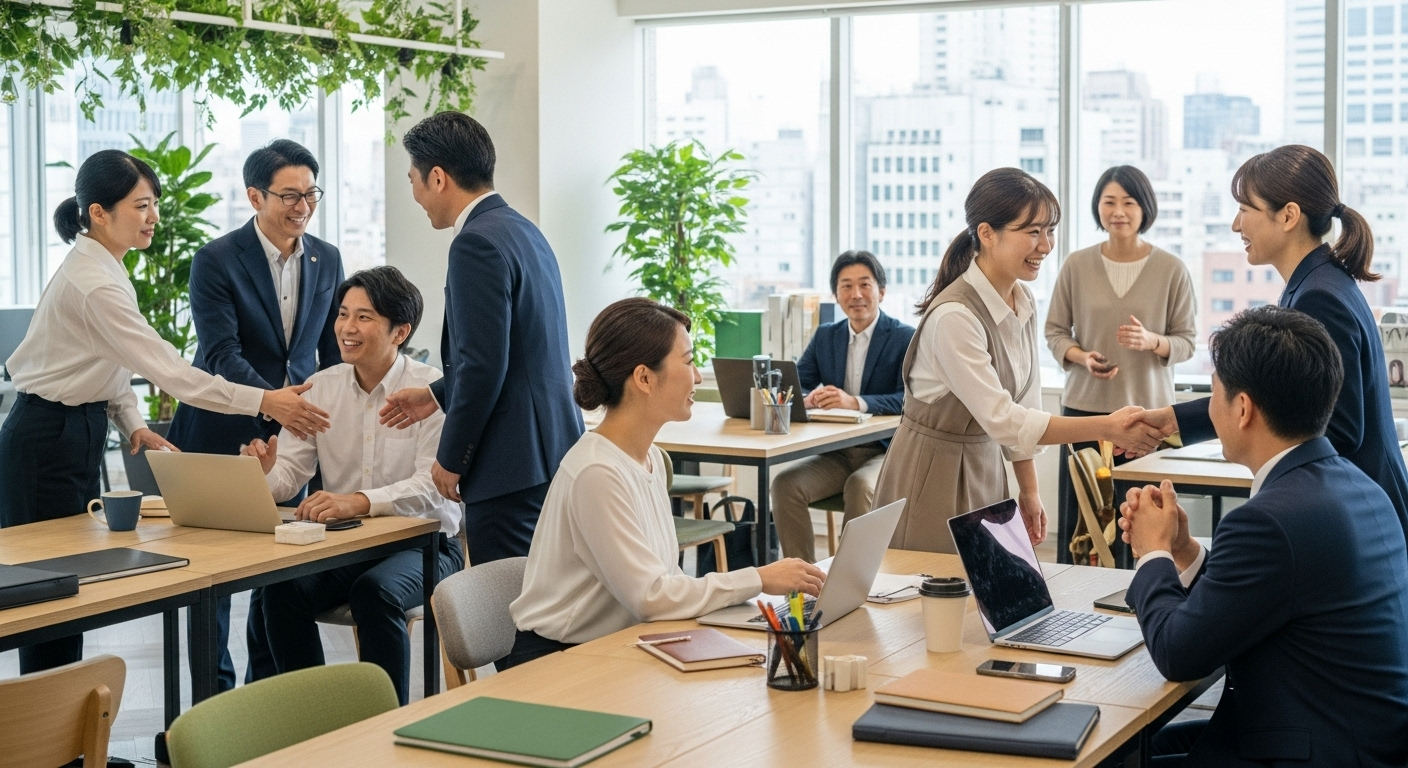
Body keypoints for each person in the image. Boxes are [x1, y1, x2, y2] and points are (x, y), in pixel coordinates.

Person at [0, 150, 328, 674]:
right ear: (99, 213)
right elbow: (170, 371)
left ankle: (65, 744)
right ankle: (50, 745)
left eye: (154, 204)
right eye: (141, 206)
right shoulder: (96, 282)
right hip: (48, 438)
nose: (153, 217)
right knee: (49, 599)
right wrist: (265, 400)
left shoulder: (104, 267)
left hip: (71, 431)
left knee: (67, 596)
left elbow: (105, 363)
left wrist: (132, 422)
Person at [1117, 306, 1408, 767]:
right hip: (1352, 740)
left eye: (1213, 392)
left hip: (1307, 752)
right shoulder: (1359, 487)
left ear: (1243, 408)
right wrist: (1183, 551)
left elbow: (1177, 653)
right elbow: (1268, 593)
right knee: (1129, 750)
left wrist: (1150, 552)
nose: (1211, 408)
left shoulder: (1268, 520)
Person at [507, 298, 826, 668]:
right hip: (559, 661)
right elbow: (651, 596)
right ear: (644, 378)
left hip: (623, 642)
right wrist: (758, 578)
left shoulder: (652, 458)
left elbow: (663, 582)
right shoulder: (597, 472)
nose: (698, 376)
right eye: (689, 361)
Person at [1126, 145, 1408, 549]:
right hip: (1356, 510)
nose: (1235, 224)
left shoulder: (1318, 297)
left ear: (1288, 216)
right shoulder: (1315, 284)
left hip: (1354, 523)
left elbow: (1338, 431)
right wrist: (1172, 420)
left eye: (1245, 209)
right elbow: (1277, 396)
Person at [871, 167, 1164, 554]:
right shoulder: (954, 317)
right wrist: (1107, 427)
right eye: (1032, 232)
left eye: (1049, 231)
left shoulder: (1021, 300)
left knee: (986, 602)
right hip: (931, 474)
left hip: (985, 466)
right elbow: (1005, 420)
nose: (1045, 245)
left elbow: (1024, 403)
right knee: (924, 601)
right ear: (987, 234)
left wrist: (1029, 489)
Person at [166, 138, 345, 692]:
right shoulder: (215, 259)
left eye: (311, 193)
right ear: (254, 195)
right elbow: (221, 355)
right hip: (220, 429)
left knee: (279, 569)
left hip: (291, 438)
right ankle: (213, 704)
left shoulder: (327, 257)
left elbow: (331, 354)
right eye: (290, 195)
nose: (303, 206)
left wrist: (329, 412)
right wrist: (276, 402)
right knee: (212, 576)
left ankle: (266, 696)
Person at [247, 267, 463, 706]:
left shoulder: (429, 390)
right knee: (279, 588)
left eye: (364, 318)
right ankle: (312, 720)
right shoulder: (321, 388)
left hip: (426, 545)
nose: (347, 328)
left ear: (399, 331)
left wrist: (359, 502)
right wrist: (264, 473)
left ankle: (383, 726)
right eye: (343, 314)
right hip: (347, 546)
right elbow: (291, 473)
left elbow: (433, 488)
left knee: (375, 591)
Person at [379, 112, 583, 565]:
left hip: (509, 466)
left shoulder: (474, 244)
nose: (414, 195)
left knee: (513, 612)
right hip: (551, 452)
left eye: (412, 180)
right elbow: (514, 355)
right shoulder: (524, 230)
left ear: (437, 178)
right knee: (548, 601)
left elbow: (483, 364)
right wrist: (435, 395)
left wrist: (452, 457)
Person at [1045, 165, 1196, 561]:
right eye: (1109, 202)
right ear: (1097, 208)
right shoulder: (1076, 265)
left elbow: (1187, 342)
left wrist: (1153, 341)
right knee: (1083, 523)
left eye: (1128, 202)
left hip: (1145, 418)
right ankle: (1075, 602)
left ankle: (1140, 596)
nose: (1118, 211)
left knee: (1139, 522)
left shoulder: (1171, 269)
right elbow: (1055, 331)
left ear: (1144, 208)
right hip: (1084, 414)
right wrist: (1081, 357)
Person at [772, 251, 914, 562]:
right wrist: (807, 398)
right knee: (785, 485)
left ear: (881, 291)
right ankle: (804, 583)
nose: (856, 295)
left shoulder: (904, 337)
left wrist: (856, 403)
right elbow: (797, 383)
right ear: (836, 295)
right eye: (846, 286)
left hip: (884, 452)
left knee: (859, 486)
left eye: (865, 285)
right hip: (836, 452)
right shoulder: (826, 336)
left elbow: (911, 398)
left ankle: (850, 581)